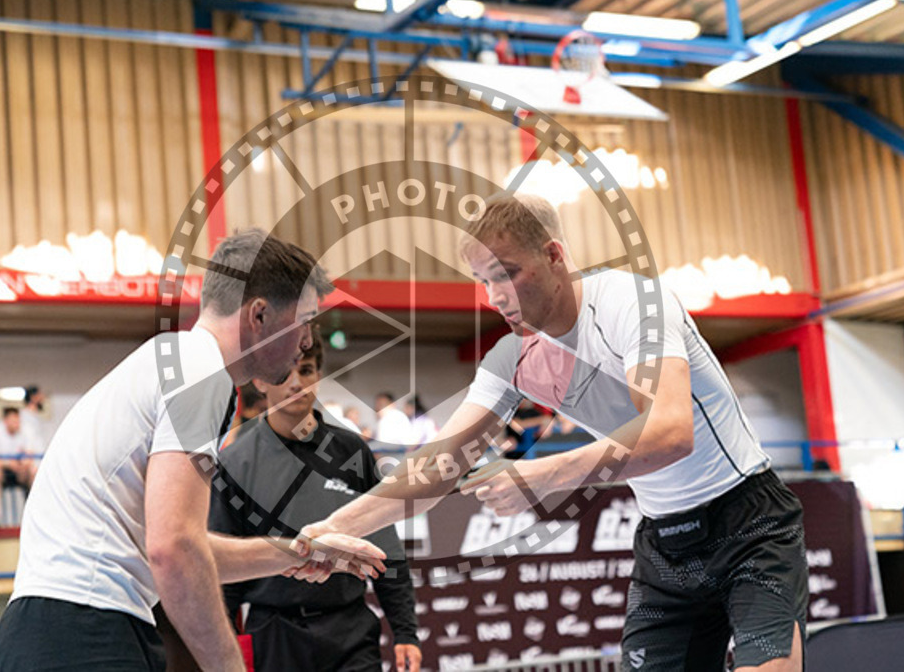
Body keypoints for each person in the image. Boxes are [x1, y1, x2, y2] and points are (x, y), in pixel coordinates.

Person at [298, 195, 808, 672]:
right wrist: (335, 527)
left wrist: (544, 474)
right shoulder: (512, 359)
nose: (496, 296)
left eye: (508, 274)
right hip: (665, 541)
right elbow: (435, 466)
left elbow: (670, 433)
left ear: (554, 255)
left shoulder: (631, 302)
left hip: (747, 522)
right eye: (482, 280)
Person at [0, 229, 388, 672]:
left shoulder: (171, 360)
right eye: (305, 321)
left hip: (49, 627)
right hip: (86, 629)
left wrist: (298, 551)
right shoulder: (201, 371)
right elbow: (174, 549)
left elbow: (180, 546)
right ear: (259, 314)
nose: (307, 342)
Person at [210, 327, 422, 672]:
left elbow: (386, 551)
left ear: (318, 375)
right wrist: (222, 648)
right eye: (284, 373)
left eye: (306, 370)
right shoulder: (235, 462)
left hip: (351, 634)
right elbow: (222, 567)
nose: (296, 383)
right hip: (274, 636)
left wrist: (405, 633)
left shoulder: (351, 452)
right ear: (260, 381)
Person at [0, 407, 35, 525]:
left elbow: (30, 455)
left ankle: (34, 514)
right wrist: (9, 464)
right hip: (3, 471)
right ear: (5, 421)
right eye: (13, 421)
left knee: (33, 471)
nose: (16, 424)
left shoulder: (26, 430)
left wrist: (22, 464)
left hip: (20, 471)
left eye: (18, 420)